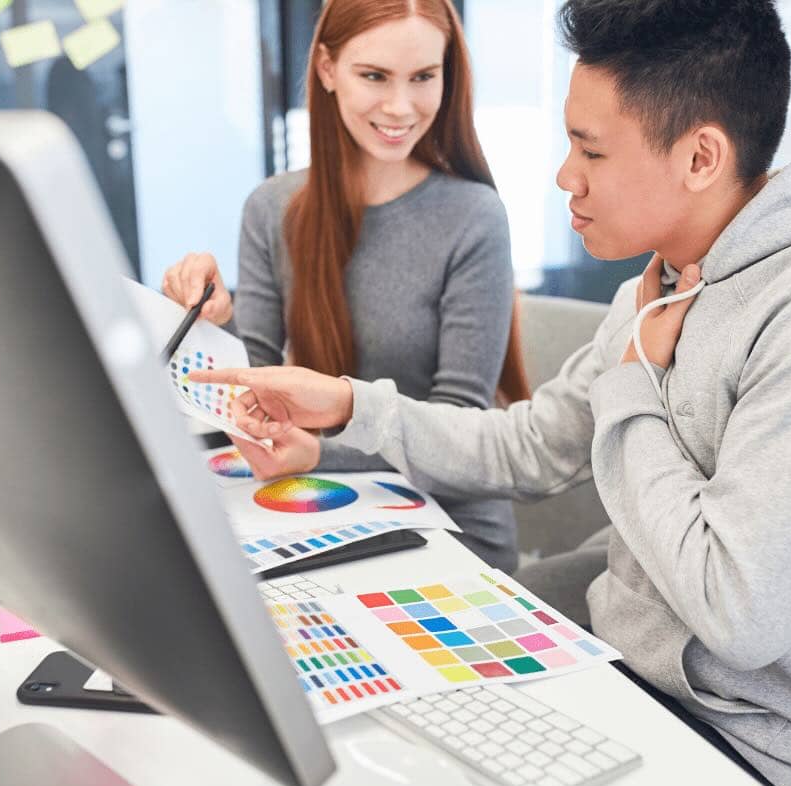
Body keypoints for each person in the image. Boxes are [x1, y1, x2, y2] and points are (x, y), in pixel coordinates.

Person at [193, 1, 791, 786]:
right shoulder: (658, 288)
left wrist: (633, 386)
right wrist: (349, 405)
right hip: (629, 687)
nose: (564, 176)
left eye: (590, 150)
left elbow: (740, 613)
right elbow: (532, 445)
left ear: (700, 157)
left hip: (782, 760)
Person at [162, 0, 529, 571]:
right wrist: (212, 321)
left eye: (424, 77)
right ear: (328, 70)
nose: (401, 106)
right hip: (325, 513)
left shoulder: (473, 216)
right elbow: (253, 386)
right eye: (375, 76)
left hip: (450, 530)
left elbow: (457, 423)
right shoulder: (272, 208)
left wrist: (318, 453)